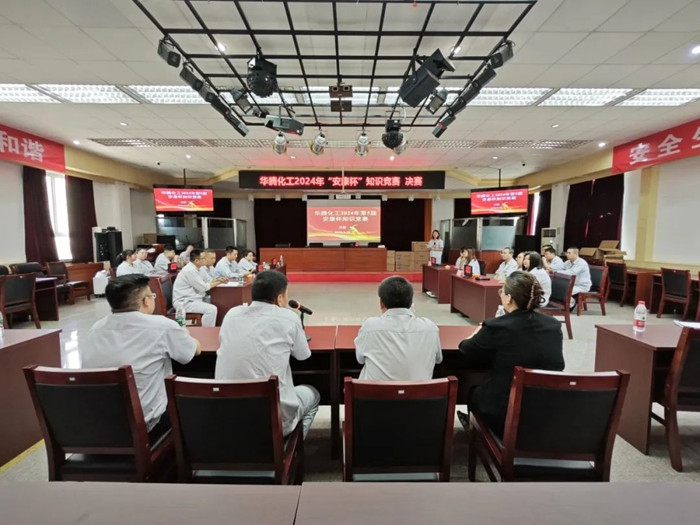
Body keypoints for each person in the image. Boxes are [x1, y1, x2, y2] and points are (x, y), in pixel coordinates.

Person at [81, 275, 201, 442]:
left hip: (97, 426)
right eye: (152, 296)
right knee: (195, 402)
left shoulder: (96, 329)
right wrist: (185, 333)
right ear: (146, 301)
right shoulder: (162, 326)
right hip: (145, 426)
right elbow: (193, 351)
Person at [457, 271, 564, 438]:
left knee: (474, 391)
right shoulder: (553, 325)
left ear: (508, 298)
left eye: (502, 291)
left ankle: (478, 432)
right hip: (546, 410)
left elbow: (466, 349)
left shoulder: (497, 327)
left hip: (505, 413)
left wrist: (478, 331)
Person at [215, 271, 320, 439]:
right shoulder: (288, 317)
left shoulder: (231, 314)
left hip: (229, 415)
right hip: (273, 419)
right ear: (280, 298)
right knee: (313, 394)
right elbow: (303, 356)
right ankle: (289, 446)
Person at [355, 276, 442, 381]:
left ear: (381, 303)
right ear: (411, 302)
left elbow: (360, 359)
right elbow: (438, 359)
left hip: (376, 391)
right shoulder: (430, 328)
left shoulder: (370, 327)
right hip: (420, 392)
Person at [172, 249, 225, 327]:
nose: (206, 259)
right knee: (211, 309)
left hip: (195, 298)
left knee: (218, 302)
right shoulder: (190, 270)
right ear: (197, 261)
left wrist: (219, 279)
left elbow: (209, 280)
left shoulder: (200, 268)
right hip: (185, 302)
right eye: (204, 258)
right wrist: (219, 282)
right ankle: (206, 331)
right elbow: (203, 287)